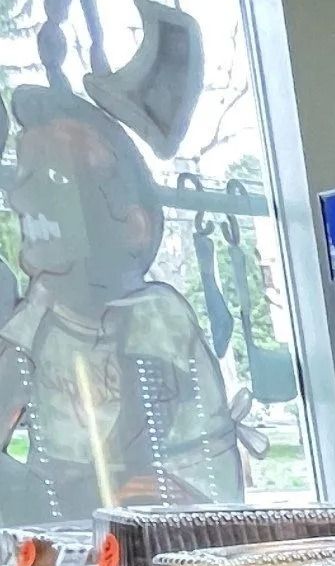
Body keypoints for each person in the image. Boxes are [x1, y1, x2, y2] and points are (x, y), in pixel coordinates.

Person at [0, 82, 243, 521]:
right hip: (67, 534)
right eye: (22, 177)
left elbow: (145, 438)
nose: (19, 195)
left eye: (55, 178)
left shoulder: (155, 317)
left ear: (133, 225)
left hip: (163, 526)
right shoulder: (37, 319)